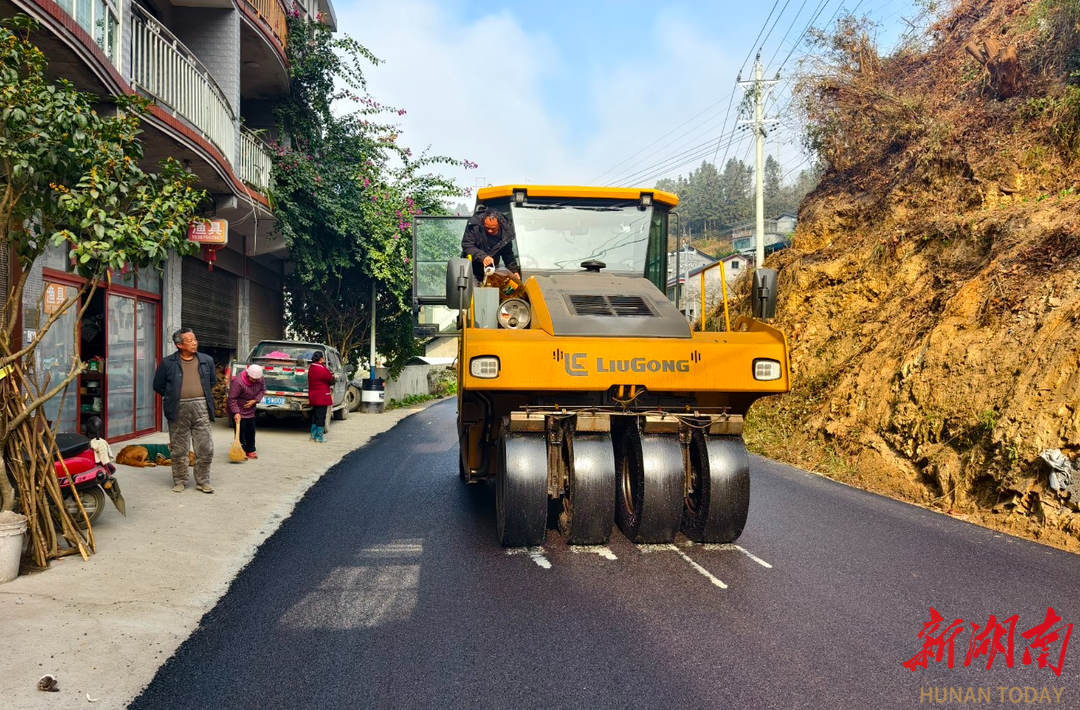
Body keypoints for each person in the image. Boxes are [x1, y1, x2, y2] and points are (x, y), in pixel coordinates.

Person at [152, 328, 216, 493]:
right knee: (179, 448)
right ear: (179, 345)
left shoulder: (206, 360)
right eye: (190, 341)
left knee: (205, 447)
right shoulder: (168, 363)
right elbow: (158, 385)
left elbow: (212, 382)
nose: (194, 343)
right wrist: (173, 396)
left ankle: (203, 481)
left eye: (195, 339)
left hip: (201, 407)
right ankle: (180, 481)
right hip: (177, 408)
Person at [461, 207, 521, 284]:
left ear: (500, 224)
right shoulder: (474, 225)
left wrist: (514, 271)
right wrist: (483, 257)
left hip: (492, 270)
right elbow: (467, 245)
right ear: (483, 222)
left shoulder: (506, 233)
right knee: (473, 289)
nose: (489, 231)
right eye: (487, 228)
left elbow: (508, 254)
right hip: (472, 269)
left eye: (493, 228)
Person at [228, 364, 266, 459]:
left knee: (251, 430)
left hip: (250, 408)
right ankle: (241, 451)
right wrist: (236, 412)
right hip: (238, 407)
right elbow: (232, 399)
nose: (254, 381)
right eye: (252, 379)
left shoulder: (260, 379)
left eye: (256, 379)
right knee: (241, 430)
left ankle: (250, 450)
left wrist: (255, 400)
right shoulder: (238, 382)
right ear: (247, 375)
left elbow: (262, 390)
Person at [307, 351, 335, 443]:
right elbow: (331, 380)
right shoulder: (322, 369)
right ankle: (319, 437)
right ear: (321, 359)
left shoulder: (311, 368)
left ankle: (312, 436)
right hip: (322, 397)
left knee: (314, 416)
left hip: (313, 396)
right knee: (321, 417)